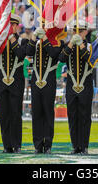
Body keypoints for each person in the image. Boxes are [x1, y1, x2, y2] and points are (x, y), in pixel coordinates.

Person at [26, 21, 63, 154]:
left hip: (49, 80)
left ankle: (47, 144)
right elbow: (28, 52)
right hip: (36, 80)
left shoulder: (58, 42)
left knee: (48, 112)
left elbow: (54, 54)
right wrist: (33, 37)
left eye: (46, 25)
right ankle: (37, 144)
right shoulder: (36, 41)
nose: (44, 27)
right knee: (36, 113)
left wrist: (45, 39)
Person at [58, 20, 94, 155]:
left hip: (86, 85)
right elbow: (61, 58)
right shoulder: (68, 45)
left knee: (85, 116)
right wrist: (72, 43)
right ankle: (75, 145)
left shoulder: (90, 47)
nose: (78, 33)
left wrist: (82, 47)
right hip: (72, 85)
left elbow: (90, 62)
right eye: (75, 31)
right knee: (72, 116)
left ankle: (84, 146)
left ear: (85, 32)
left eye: (80, 31)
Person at [0, 14, 28, 154]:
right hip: (1, 83)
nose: (9, 28)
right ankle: (6, 145)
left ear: (16, 26)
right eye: (7, 25)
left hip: (16, 84)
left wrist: (12, 39)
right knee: (3, 115)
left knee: (15, 114)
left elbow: (20, 55)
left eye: (12, 25)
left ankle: (17, 144)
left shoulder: (22, 41)